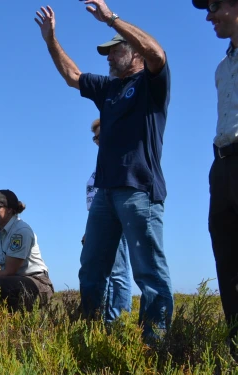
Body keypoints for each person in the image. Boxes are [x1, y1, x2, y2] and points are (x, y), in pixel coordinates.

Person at [35, 1, 173, 339]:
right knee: (92, 270)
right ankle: (93, 336)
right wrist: (50, 39)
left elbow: (157, 54)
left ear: (133, 51)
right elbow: (72, 76)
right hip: (105, 195)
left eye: (113, 51)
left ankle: (154, 346)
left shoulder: (151, 85)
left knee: (148, 273)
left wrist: (110, 19)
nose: (107, 58)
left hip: (139, 190)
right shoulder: (109, 89)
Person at [193, 0, 238, 358]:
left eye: (216, 6)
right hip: (222, 167)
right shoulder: (223, 67)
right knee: (228, 262)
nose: (209, 16)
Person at [86, 118, 132, 321]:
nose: (98, 141)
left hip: (116, 222)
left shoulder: (121, 161)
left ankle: (118, 322)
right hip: (98, 225)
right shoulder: (100, 168)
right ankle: (99, 320)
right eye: (95, 138)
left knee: (118, 271)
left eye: (100, 136)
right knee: (97, 270)